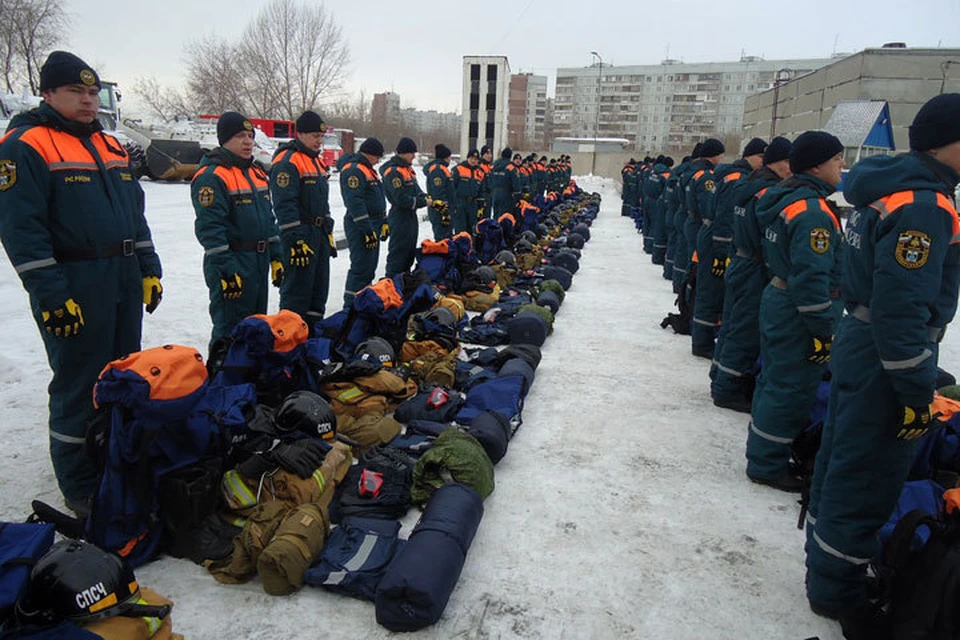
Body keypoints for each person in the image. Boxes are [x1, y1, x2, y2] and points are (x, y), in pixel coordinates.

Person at [805, 95, 960, 638]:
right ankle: (840, 592)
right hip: (886, 351)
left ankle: (827, 571)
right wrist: (918, 389)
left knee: (841, 459)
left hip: (861, 337)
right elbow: (902, 309)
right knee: (866, 471)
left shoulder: (888, 189)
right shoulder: (923, 205)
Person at [0, 51, 162, 514]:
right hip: (75, 281)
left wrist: (148, 268)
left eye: (93, 92)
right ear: (48, 93)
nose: (88, 101)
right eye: (76, 91)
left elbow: (136, 215)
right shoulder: (25, 144)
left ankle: (115, 458)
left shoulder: (111, 146)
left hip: (122, 278)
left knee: (119, 376)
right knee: (78, 383)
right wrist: (51, 294)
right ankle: (80, 483)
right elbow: (21, 230)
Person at [745, 131, 845, 491]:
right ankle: (768, 464)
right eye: (837, 159)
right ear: (817, 165)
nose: (842, 166)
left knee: (775, 380)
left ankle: (763, 449)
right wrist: (822, 328)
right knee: (790, 387)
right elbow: (811, 277)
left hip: (781, 299)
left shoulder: (786, 199)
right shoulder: (813, 213)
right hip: (800, 309)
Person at [712, 137, 793, 413]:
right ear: (774, 162)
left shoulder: (749, 185)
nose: (791, 169)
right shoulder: (768, 192)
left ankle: (720, 375)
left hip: (741, 260)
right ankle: (728, 389)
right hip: (755, 266)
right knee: (745, 330)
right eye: (788, 163)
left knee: (733, 322)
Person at [193, 111, 283, 348]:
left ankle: (249, 379)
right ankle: (221, 380)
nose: (248, 141)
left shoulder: (256, 173)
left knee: (255, 325)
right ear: (224, 139)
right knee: (229, 330)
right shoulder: (212, 176)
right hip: (233, 262)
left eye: (250, 135)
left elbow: (268, 219)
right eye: (240, 136)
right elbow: (210, 228)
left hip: (258, 261)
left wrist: (276, 256)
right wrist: (226, 269)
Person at [692, 138, 765, 359]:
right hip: (717, 239)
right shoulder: (737, 179)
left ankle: (703, 337)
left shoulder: (733, 176)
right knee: (711, 292)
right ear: (748, 156)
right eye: (761, 157)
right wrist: (721, 253)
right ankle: (702, 343)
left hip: (711, 234)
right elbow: (725, 218)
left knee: (711, 289)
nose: (763, 162)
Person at [270, 110, 336, 329]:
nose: (320, 141)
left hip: (318, 235)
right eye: (315, 136)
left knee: (318, 293)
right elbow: (284, 205)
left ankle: (312, 341)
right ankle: (289, 343)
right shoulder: (288, 161)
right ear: (301, 134)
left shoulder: (315, 162)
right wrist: (295, 240)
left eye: (322, 136)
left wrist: (328, 229)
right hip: (301, 235)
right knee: (297, 294)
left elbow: (322, 201)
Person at [339, 137, 386, 307]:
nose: (378, 160)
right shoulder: (355, 170)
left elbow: (377, 198)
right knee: (360, 269)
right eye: (377, 157)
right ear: (369, 154)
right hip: (360, 225)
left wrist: (384, 220)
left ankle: (363, 304)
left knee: (368, 269)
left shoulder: (368, 169)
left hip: (373, 223)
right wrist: (367, 229)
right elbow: (355, 202)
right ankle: (350, 307)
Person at [380, 137, 433, 277]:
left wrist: (427, 197)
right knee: (398, 255)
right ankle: (391, 285)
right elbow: (400, 199)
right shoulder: (393, 172)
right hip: (400, 216)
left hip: (410, 217)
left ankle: (404, 285)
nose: (414, 156)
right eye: (412, 153)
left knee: (409, 254)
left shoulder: (407, 170)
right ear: (403, 153)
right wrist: (422, 202)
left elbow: (417, 190)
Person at [424, 144, 455, 240]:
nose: (450, 159)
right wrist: (444, 213)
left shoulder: (443, 169)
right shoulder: (438, 170)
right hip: (440, 212)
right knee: (442, 239)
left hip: (445, 210)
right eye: (449, 157)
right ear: (445, 157)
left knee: (447, 238)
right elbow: (438, 193)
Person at [451, 148, 484, 235]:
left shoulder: (480, 172)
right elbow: (451, 188)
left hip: (473, 204)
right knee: (460, 229)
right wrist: (453, 204)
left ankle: (471, 247)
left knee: (472, 229)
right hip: (460, 203)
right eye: (471, 158)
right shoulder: (458, 169)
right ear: (467, 158)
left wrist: (480, 206)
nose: (473, 161)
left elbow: (481, 190)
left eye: (476, 159)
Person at [489, 147, 515, 216]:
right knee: (504, 216)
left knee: (495, 214)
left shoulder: (494, 165)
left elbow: (489, 179)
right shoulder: (511, 167)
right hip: (506, 194)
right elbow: (515, 183)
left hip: (494, 194)